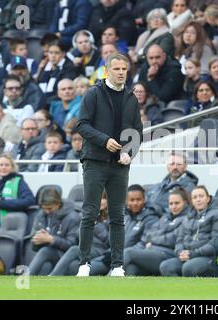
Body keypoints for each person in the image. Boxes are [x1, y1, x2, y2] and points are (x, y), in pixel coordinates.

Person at [76, 53, 143, 277]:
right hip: (95, 160)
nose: (121, 72)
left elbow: (137, 132)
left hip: (120, 165)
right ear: (107, 71)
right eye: (117, 69)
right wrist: (104, 140)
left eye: (124, 69)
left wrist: (129, 153)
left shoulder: (131, 97)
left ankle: (117, 266)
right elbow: (82, 125)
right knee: (90, 213)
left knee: (117, 216)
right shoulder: (94, 94)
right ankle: (84, 263)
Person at [159, 185, 218, 277]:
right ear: (192, 201)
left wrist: (193, 253)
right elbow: (179, 240)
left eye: (201, 196)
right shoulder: (188, 218)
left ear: (208, 199)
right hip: (191, 256)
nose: (198, 199)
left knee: (188, 268)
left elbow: (216, 244)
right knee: (166, 266)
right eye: (195, 197)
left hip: (215, 259)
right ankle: (178, 290)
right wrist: (180, 252)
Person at [124, 188, 190, 276]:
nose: (173, 206)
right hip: (152, 252)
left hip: (167, 254)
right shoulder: (165, 218)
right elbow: (149, 234)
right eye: (171, 204)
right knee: (131, 268)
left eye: (177, 203)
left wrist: (153, 240)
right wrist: (152, 239)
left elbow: (173, 239)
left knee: (128, 253)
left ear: (185, 203)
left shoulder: (187, 219)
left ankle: (109, 279)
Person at [51, 192, 109, 276]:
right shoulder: (87, 214)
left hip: (102, 251)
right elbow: (77, 236)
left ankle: (53, 276)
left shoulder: (113, 217)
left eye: (103, 198)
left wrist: (96, 225)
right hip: (87, 250)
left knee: (75, 249)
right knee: (73, 265)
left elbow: (109, 241)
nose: (99, 201)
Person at [28, 187, 80, 275]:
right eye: (44, 208)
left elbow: (72, 245)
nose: (46, 211)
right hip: (50, 252)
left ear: (58, 204)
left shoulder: (73, 217)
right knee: (45, 262)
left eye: (49, 208)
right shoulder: (42, 215)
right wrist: (37, 240)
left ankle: (26, 278)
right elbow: (34, 247)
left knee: (45, 251)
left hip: (67, 256)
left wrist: (51, 239)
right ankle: (28, 281)